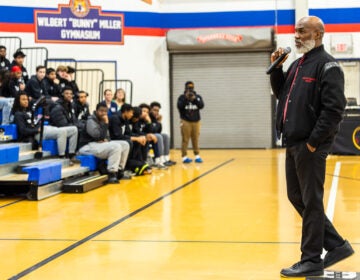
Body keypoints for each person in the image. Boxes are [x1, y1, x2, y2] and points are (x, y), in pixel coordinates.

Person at [269, 16, 354, 277]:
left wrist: (313, 143)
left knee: (312, 201)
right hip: (293, 142)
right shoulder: (297, 64)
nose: (296, 35)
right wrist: (276, 68)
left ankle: (312, 259)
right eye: (295, 31)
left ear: (317, 35)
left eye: (302, 31)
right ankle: (337, 246)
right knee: (298, 198)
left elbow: (333, 110)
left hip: (309, 145)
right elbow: (282, 94)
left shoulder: (328, 66)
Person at [78, 102, 130, 183]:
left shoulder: (103, 120)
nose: (103, 113)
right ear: (96, 111)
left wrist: (106, 139)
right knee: (115, 147)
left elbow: (107, 136)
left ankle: (120, 170)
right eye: (101, 111)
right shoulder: (91, 120)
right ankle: (112, 173)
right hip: (87, 146)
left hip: (98, 144)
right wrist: (105, 125)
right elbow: (96, 135)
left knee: (125, 144)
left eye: (105, 111)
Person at [12, 91, 69, 155]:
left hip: (39, 130)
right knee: (61, 132)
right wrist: (37, 130)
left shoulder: (28, 112)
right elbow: (23, 130)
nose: (26, 101)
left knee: (60, 129)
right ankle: (62, 155)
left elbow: (33, 123)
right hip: (34, 134)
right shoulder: (18, 114)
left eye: (27, 99)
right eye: (23, 99)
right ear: (18, 101)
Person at [49, 86, 79, 163]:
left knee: (81, 129)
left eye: (71, 94)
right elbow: (62, 124)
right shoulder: (57, 107)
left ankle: (72, 153)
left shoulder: (70, 105)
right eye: (67, 93)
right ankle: (65, 155)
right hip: (56, 128)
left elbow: (74, 120)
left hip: (66, 126)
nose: (69, 95)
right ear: (62, 94)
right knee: (75, 129)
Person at [177, 81, 204, 163]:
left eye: (192, 87)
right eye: (189, 87)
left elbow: (201, 106)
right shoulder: (181, 97)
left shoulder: (197, 96)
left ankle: (197, 155)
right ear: (185, 88)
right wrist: (186, 98)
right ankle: (184, 157)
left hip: (196, 121)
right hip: (185, 121)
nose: (190, 89)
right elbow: (179, 106)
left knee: (195, 138)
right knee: (185, 139)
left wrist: (195, 99)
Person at [150, 101, 176, 166]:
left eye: (158, 111)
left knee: (165, 136)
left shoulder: (155, 118)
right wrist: (157, 122)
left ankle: (166, 158)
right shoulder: (148, 117)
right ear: (150, 110)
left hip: (154, 135)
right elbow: (152, 130)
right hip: (147, 135)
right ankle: (159, 159)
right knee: (159, 136)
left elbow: (158, 131)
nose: (156, 112)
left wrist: (159, 122)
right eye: (154, 110)